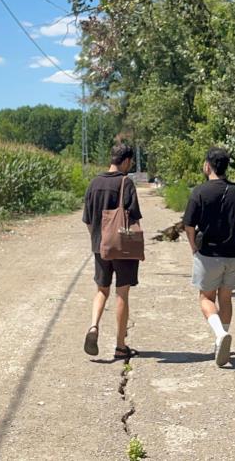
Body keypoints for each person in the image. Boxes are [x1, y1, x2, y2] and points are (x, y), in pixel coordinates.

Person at [183, 147, 235, 367]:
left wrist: (193, 247)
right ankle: (221, 340)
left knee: (206, 298)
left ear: (208, 165)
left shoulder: (199, 192)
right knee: (226, 298)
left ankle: (220, 335)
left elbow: (189, 224)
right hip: (234, 253)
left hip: (209, 254)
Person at [82, 143, 142, 360]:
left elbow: (87, 220)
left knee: (101, 290)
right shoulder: (126, 182)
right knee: (122, 292)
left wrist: (97, 238)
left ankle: (93, 327)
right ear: (125, 161)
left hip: (100, 246)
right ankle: (120, 345)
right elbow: (133, 217)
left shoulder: (93, 183)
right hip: (122, 247)